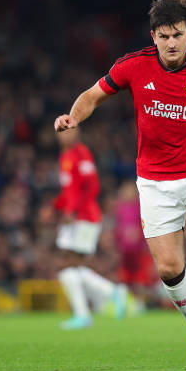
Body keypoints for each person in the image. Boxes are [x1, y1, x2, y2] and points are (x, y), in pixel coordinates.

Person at [54, 0, 186, 368]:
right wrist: (73, 117)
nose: (171, 42)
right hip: (153, 182)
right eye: (164, 36)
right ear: (153, 36)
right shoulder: (133, 66)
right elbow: (92, 95)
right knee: (168, 270)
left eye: (178, 35)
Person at [53, 128, 127, 329]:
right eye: (61, 131)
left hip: (85, 217)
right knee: (71, 267)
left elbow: (92, 186)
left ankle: (84, 314)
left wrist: (72, 210)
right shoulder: (65, 156)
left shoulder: (81, 153)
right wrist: (55, 207)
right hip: (74, 217)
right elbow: (69, 190)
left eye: (68, 131)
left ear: (76, 132)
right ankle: (111, 293)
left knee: (68, 266)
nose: (64, 135)